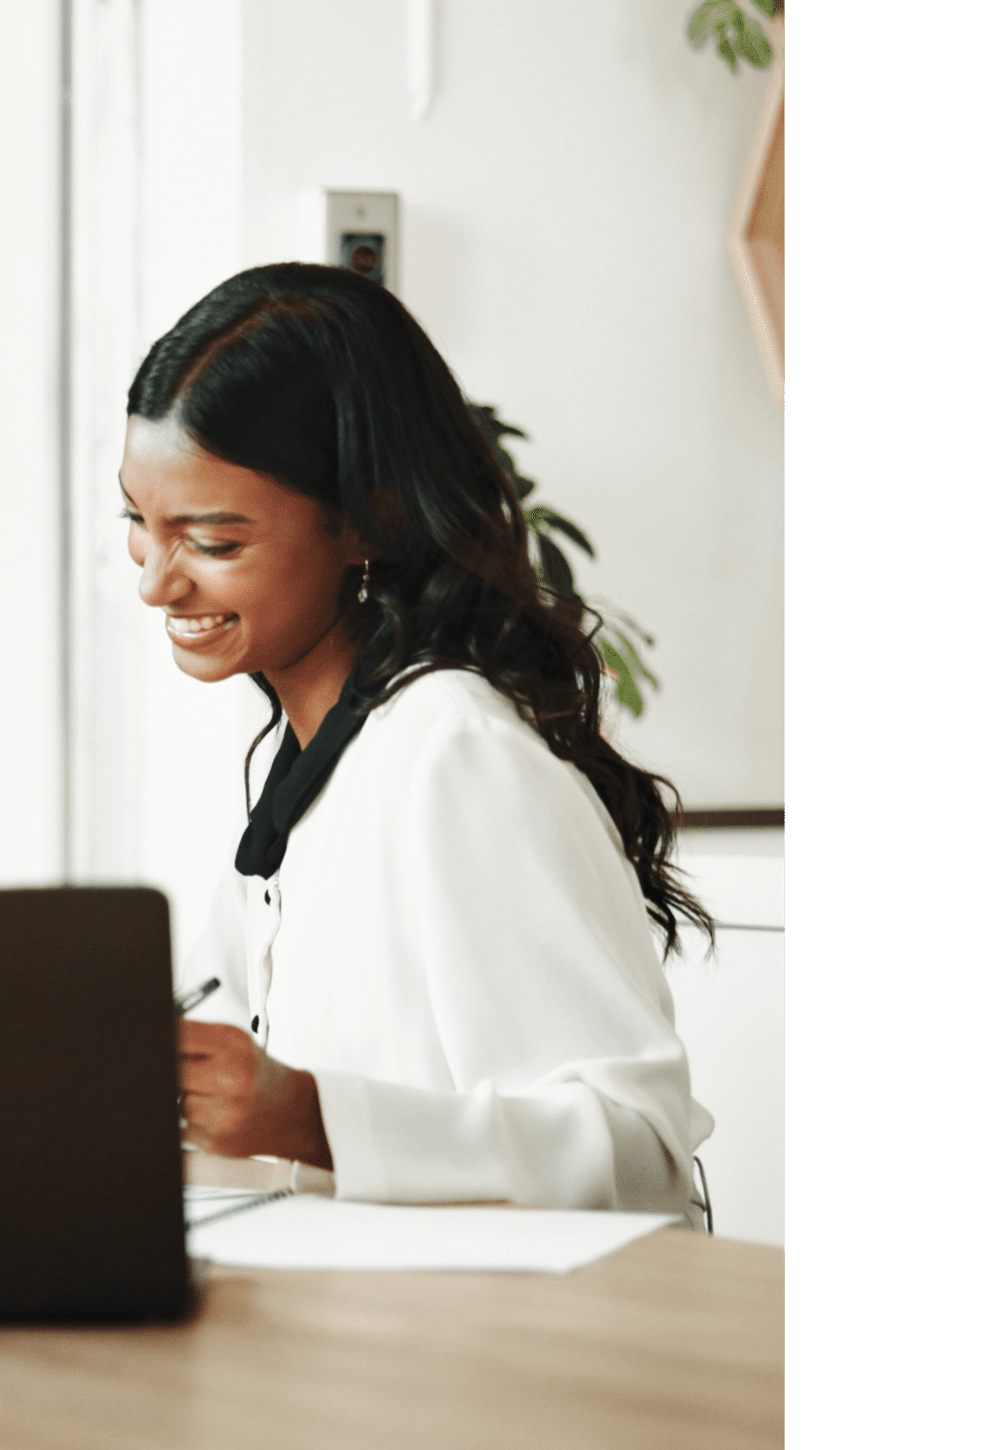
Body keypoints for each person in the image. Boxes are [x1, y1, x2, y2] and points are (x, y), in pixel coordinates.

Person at [119, 263, 711, 1212]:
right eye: (139, 524)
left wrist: (308, 1116)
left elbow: (639, 1150)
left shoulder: (455, 755)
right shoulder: (302, 762)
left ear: (366, 523)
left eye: (215, 543)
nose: (155, 582)